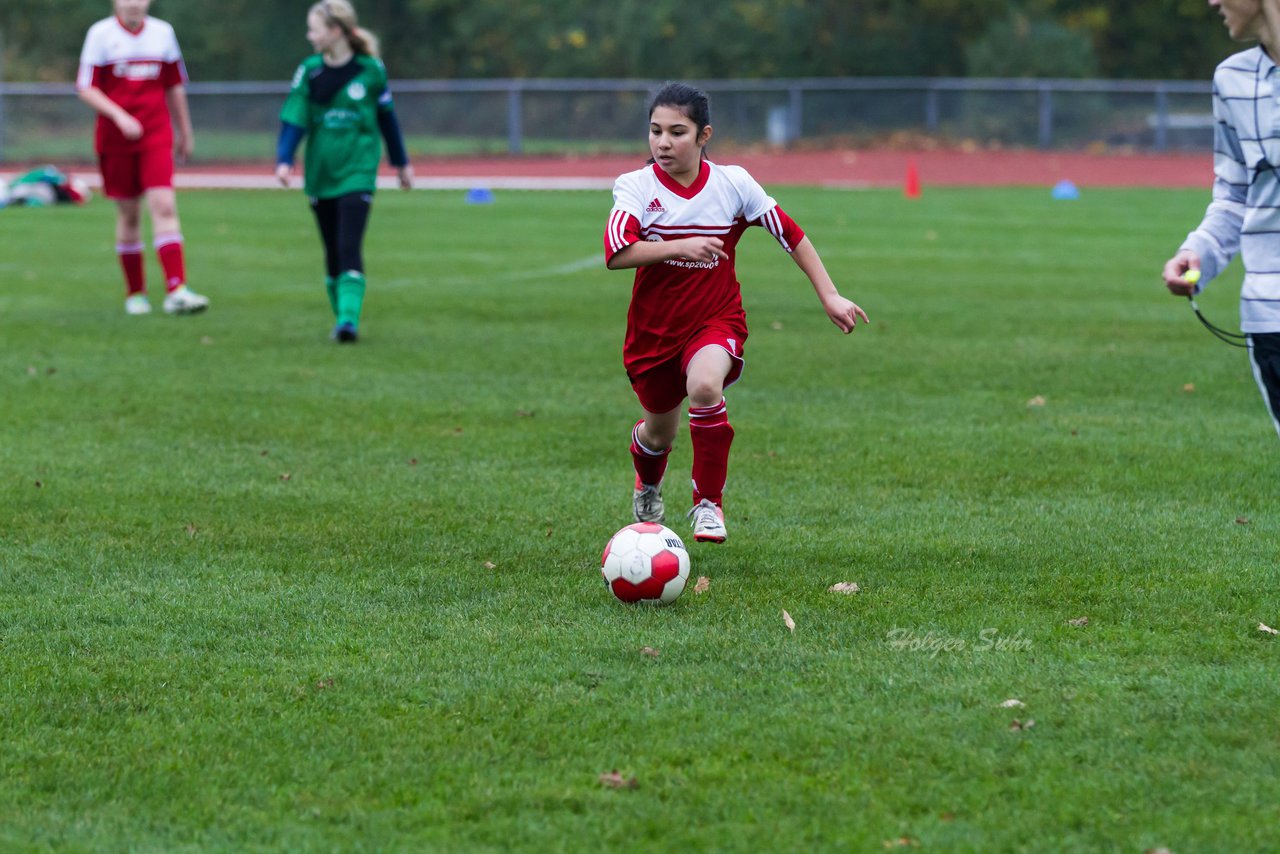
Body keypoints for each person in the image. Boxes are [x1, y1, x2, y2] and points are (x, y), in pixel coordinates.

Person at [603, 82, 869, 543]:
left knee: (705, 385)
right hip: (654, 333)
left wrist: (829, 294)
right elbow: (616, 251)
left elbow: (791, 234)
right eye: (655, 131)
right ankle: (647, 482)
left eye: (677, 132)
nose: (663, 142)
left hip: (715, 320)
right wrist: (680, 246)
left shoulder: (734, 183)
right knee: (658, 434)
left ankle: (708, 504)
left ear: (704, 135)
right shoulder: (635, 187)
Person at [1163, 0, 1280, 439]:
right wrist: (1198, 255)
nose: (1212, 1)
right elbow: (1234, 196)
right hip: (1269, 316)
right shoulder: (1231, 80)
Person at [275, 0, 413, 344]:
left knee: (349, 243)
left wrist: (401, 163)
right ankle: (342, 315)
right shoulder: (309, 71)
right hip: (321, 171)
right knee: (331, 249)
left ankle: (348, 322)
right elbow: (294, 117)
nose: (309, 35)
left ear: (335, 31)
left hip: (358, 169)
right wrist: (284, 158)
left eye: (314, 28)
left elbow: (387, 119)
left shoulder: (371, 71)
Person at [77, 0, 209, 316]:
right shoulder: (100, 34)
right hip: (115, 139)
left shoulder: (163, 33)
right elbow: (86, 88)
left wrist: (185, 131)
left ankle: (177, 289)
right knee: (129, 213)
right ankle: (135, 293)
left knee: (164, 204)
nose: (134, 3)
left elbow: (175, 86)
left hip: (155, 134)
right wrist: (119, 116)